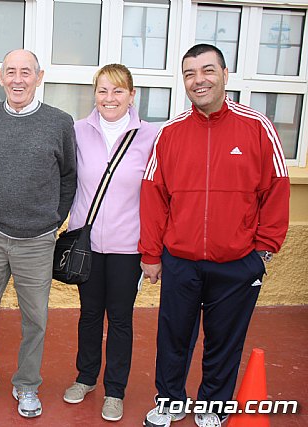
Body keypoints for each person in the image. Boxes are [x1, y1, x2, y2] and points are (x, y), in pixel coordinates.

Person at [140, 44, 290, 427]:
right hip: (181, 261)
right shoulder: (170, 133)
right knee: (173, 338)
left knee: (224, 342)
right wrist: (151, 254)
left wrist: (262, 253)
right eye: (189, 74)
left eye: (207, 71)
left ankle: (212, 406)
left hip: (238, 263)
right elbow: (153, 195)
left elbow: (276, 188)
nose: (198, 80)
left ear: (225, 74)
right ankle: (171, 400)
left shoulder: (257, 127)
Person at [0, 49, 77, 418]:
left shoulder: (59, 122)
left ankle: (27, 386)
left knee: (36, 319)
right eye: (10, 72)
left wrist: (53, 219)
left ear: (39, 77)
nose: (17, 79)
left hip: (37, 240)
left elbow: (69, 176)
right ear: (0, 76)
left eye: (25, 72)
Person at [62, 64, 158, 422]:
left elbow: (158, 194)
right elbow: (65, 178)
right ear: (94, 95)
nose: (109, 98)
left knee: (119, 319)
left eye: (118, 91)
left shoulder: (151, 136)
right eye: (103, 91)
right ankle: (85, 377)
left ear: (132, 95)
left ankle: (114, 390)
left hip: (127, 247)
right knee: (88, 315)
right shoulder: (77, 131)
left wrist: (153, 249)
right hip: (86, 245)